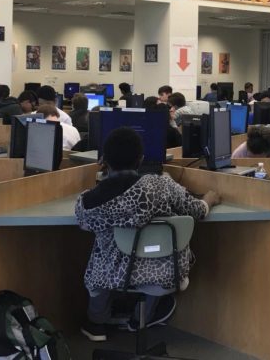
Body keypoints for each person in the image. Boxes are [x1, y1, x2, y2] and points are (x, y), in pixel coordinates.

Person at [76, 127, 220, 341]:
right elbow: (196, 211)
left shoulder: (88, 202)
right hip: (163, 273)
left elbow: (83, 223)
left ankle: (97, 323)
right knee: (156, 262)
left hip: (111, 274)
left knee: (99, 255)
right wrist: (209, 199)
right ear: (141, 159)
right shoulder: (162, 185)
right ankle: (142, 318)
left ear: (103, 160)